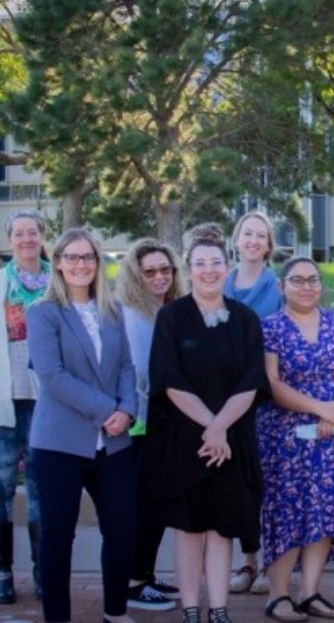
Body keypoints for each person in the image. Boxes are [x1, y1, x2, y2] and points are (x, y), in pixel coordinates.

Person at [142, 227, 269, 623]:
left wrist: (220, 428)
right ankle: (191, 609)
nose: (209, 270)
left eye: (216, 262)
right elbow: (168, 379)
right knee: (189, 529)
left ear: (227, 267)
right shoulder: (171, 317)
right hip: (186, 441)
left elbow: (251, 381)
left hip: (232, 441)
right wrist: (211, 427)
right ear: (189, 269)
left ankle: (218, 609)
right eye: (200, 264)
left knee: (221, 529)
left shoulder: (246, 319)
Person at [27, 228, 138, 623]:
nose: (80, 264)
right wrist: (109, 409)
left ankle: (115, 610)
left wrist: (127, 409)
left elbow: (126, 365)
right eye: (71, 257)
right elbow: (52, 376)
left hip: (113, 442)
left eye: (87, 257)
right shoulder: (43, 313)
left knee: (123, 528)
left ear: (97, 262)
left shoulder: (113, 311)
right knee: (58, 536)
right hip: (59, 443)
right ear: (57, 262)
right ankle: (57, 618)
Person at [260, 256, 334, 622]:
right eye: (297, 280)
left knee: (323, 511)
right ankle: (278, 596)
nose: (306, 286)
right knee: (289, 512)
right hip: (286, 439)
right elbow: (272, 384)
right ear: (282, 286)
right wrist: (321, 409)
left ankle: (309, 592)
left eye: (313, 280)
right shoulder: (270, 328)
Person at [115, 238, 186, 611]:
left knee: (157, 504)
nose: (159, 277)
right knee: (142, 505)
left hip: (166, 425)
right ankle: (133, 581)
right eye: (150, 272)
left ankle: (145, 574)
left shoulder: (170, 310)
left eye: (165, 270)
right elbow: (140, 373)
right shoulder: (130, 313)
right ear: (136, 275)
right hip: (139, 427)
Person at [225, 210, 281, 596]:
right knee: (238, 485)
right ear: (237, 239)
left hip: (266, 399)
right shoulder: (220, 281)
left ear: (268, 245)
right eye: (248, 234)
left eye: (261, 235)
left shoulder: (277, 288)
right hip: (224, 399)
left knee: (269, 483)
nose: (253, 241)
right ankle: (248, 561)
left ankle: (272, 567)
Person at [0, 210, 49, 602]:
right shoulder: (1, 281)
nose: (26, 239)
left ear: (42, 236)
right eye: (19, 233)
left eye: (32, 232)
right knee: (1, 485)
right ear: (9, 239)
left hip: (48, 397)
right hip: (6, 396)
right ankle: (3, 572)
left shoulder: (59, 279)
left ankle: (41, 569)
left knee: (40, 485)